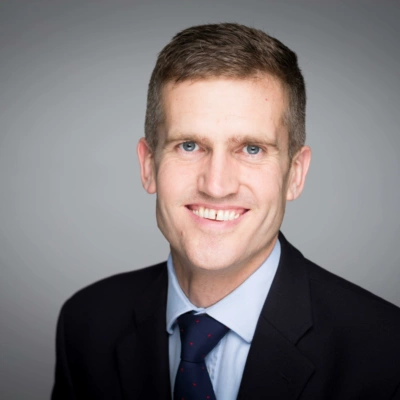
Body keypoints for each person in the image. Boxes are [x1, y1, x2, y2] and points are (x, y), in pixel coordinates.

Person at [51, 23, 400, 400]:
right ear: (148, 165)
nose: (216, 186)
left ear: (295, 174)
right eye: (189, 145)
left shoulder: (387, 352)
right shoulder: (87, 323)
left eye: (252, 149)